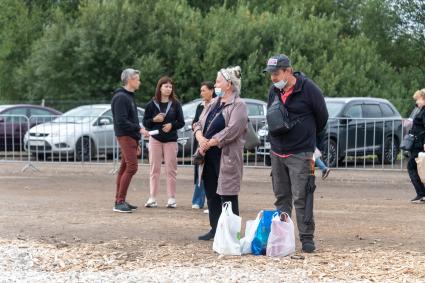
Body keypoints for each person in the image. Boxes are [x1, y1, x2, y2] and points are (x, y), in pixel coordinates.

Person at [264, 54, 328, 252]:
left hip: (300, 153)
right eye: (271, 74)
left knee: (303, 196)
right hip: (277, 152)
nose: (273, 78)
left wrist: (307, 140)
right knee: (281, 196)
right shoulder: (273, 91)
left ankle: (307, 238)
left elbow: (322, 117)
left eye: (276, 73)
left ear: (288, 71)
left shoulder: (308, 89)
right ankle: (283, 237)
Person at [193, 66, 248, 240]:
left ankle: (232, 235)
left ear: (229, 84)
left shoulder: (238, 105)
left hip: (227, 156)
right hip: (208, 155)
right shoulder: (214, 103)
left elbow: (233, 130)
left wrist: (211, 141)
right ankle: (215, 229)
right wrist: (200, 137)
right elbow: (198, 123)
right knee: (211, 193)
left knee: (228, 194)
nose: (215, 84)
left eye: (218, 81)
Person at [143, 76, 185, 208]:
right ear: (160, 88)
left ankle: (171, 199)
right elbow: (145, 122)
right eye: (166, 86)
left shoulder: (176, 104)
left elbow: (181, 122)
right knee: (154, 169)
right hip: (155, 139)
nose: (168, 89)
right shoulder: (151, 104)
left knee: (171, 170)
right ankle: (152, 198)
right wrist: (154, 120)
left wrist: (171, 126)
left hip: (171, 140)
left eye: (170, 87)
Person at [111, 68, 148, 213]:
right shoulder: (121, 97)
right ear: (130, 80)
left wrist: (137, 137)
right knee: (132, 167)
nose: (139, 82)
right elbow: (121, 121)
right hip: (125, 136)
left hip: (129, 136)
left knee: (125, 168)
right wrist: (139, 130)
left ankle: (119, 199)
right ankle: (119, 202)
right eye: (137, 79)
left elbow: (128, 120)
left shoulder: (128, 96)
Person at [191, 81, 215, 210]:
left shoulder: (217, 104)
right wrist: (194, 126)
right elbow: (195, 122)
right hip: (200, 142)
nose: (201, 93)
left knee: (211, 172)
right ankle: (198, 200)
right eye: (201, 90)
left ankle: (211, 202)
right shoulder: (200, 106)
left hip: (212, 143)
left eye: (204, 90)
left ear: (211, 91)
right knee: (199, 170)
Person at [407, 88, 425, 203]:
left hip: (420, 144)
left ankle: (421, 193)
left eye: (417, 99)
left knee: (411, 167)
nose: (416, 102)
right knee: (419, 168)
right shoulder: (421, 110)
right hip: (418, 143)